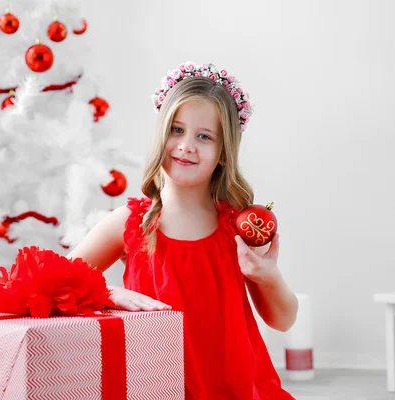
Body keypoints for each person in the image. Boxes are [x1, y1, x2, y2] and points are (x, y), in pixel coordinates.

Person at [67, 61, 298, 399]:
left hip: (236, 389)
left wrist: (267, 275)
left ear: (223, 153)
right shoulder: (127, 224)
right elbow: (55, 283)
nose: (186, 145)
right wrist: (109, 295)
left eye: (204, 136)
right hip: (157, 387)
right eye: (176, 130)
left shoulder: (239, 226)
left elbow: (283, 319)